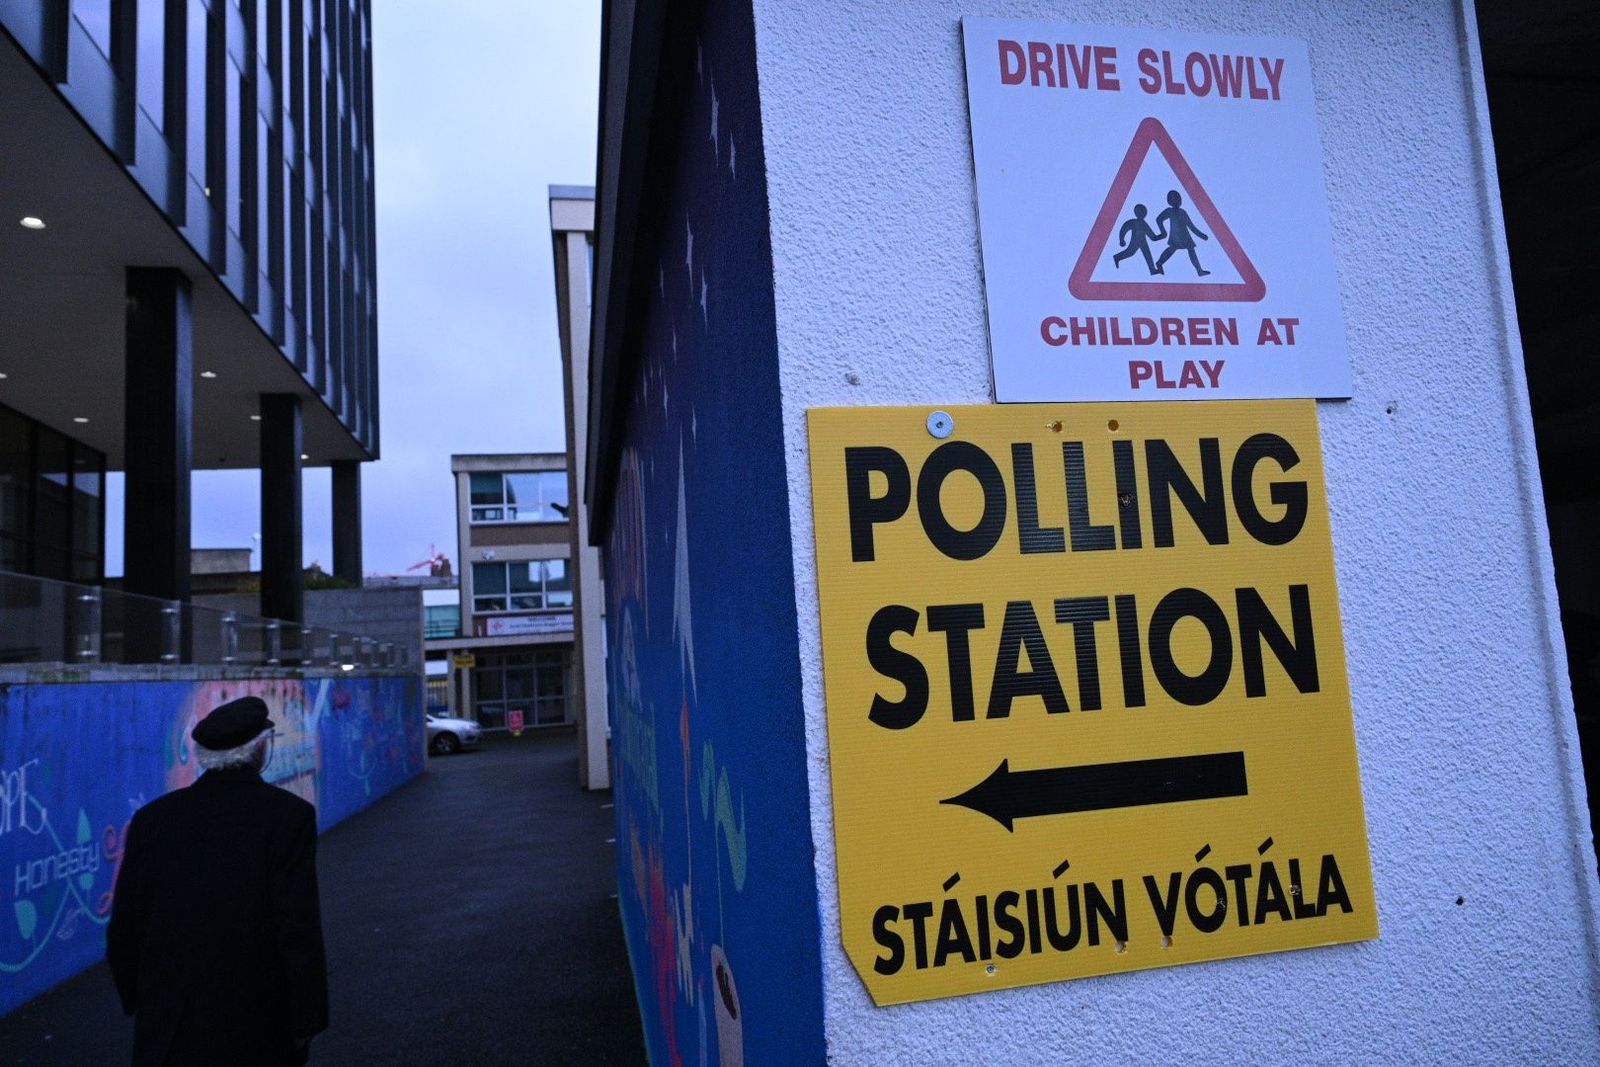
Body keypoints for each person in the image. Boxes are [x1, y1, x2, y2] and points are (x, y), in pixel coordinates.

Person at [107, 696, 329, 1066]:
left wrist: (142, 1000)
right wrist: (306, 1019)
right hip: (257, 1027)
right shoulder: (288, 818)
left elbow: (126, 926)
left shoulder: (152, 820)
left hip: (169, 1028)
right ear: (260, 750)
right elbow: (296, 927)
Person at [1154, 189, 1211, 276]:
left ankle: (1199, 271)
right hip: (1176, 236)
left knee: (1188, 250)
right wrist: (1163, 232)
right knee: (1173, 249)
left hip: (1185, 236)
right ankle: (1159, 263)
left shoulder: (1182, 212)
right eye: (1173, 199)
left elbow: (1191, 226)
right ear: (1170, 201)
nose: (1177, 201)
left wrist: (1202, 235)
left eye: (1178, 198)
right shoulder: (1169, 211)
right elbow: (1159, 219)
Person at [1112, 203, 1160, 273]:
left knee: (1146, 255)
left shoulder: (1143, 223)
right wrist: (1121, 240)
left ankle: (1152, 270)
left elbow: (1152, 237)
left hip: (1143, 242)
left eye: (1143, 212)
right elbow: (1124, 229)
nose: (1143, 213)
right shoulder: (1133, 222)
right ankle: (1117, 257)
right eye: (1141, 211)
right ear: (1136, 212)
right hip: (1135, 241)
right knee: (1131, 252)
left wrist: (1161, 236)